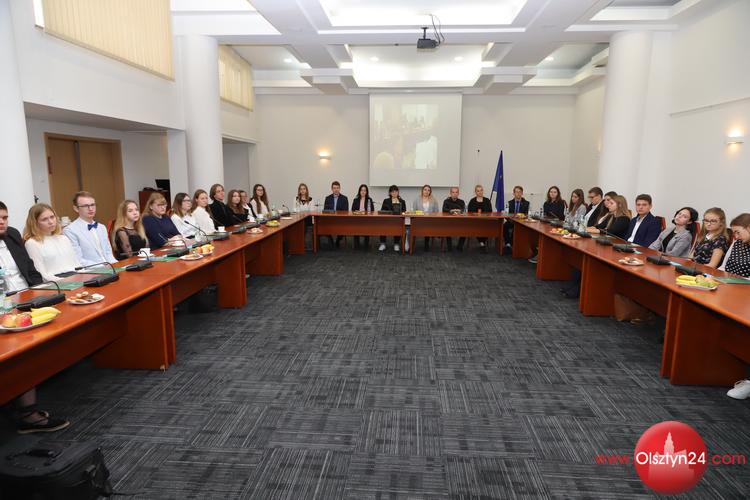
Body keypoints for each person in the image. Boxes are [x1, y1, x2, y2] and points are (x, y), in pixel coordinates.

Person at [0, 201, 70, 434]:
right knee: (23, 351)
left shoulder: (12, 235)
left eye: (5, 217)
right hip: (4, 305)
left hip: (26, 296)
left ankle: (20, 401)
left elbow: (29, 270)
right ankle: (28, 414)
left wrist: (44, 293)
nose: (2, 222)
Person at [723, 214, 750, 400]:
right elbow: (724, 268)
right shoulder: (737, 243)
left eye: (738, 232)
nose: (736, 236)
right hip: (731, 290)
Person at [22, 203, 80, 281]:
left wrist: (85, 276)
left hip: (75, 277)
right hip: (55, 282)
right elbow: (41, 274)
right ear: (35, 223)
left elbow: (77, 264)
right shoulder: (32, 243)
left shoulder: (63, 238)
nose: (51, 222)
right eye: (44, 219)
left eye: (52, 217)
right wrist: (64, 282)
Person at [63, 191, 118, 266]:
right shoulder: (70, 230)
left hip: (110, 268)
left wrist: (117, 265)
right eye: (85, 206)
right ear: (76, 208)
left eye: (92, 205)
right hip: (91, 270)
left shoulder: (101, 227)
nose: (91, 209)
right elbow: (78, 260)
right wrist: (103, 267)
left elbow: (108, 253)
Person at [378, 185, 406, 252]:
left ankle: (396, 244)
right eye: (393, 192)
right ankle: (383, 243)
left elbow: (404, 212)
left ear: (398, 192)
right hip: (387, 220)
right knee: (382, 224)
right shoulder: (386, 201)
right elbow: (382, 211)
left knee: (399, 225)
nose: (394, 193)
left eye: (396, 191)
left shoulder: (402, 201)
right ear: (390, 193)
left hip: (398, 221)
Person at [413, 184, 440, 251]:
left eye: (428, 190)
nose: (426, 191)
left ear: (430, 192)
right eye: (425, 190)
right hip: (419, 220)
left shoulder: (434, 200)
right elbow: (414, 211)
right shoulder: (417, 199)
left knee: (428, 225)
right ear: (422, 190)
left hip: (430, 220)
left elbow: (436, 211)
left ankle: (426, 243)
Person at [323, 181, 349, 248]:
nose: (336, 189)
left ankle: (338, 240)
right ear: (332, 189)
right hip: (330, 219)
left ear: (340, 188)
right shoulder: (328, 198)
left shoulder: (344, 198)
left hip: (340, 219)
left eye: (337, 188)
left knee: (343, 225)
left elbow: (346, 211)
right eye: (334, 188)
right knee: (323, 224)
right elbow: (325, 210)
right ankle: (331, 239)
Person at [468, 185, 493, 252]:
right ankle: (482, 243)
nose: (480, 192)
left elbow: (490, 211)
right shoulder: (472, 201)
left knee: (486, 226)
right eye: (478, 191)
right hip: (475, 221)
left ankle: (482, 243)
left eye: (481, 190)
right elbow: (469, 212)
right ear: (475, 192)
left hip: (485, 221)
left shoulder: (487, 200)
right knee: (478, 226)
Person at [504, 185, 530, 251]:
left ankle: (512, 244)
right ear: (513, 193)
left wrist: (522, 217)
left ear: (522, 193)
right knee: (505, 225)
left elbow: (527, 215)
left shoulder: (526, 203)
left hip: (522, 222)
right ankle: (507, 243)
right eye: (516, 192)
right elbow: (507, 215)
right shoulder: (510, 203)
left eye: (520, 192)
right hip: (511, 221)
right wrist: (511, 219)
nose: (518, 193)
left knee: (517, 227)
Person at [351, 184, 374, 250]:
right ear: (359, 191)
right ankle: (356, 243)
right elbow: (352, 210)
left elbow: (372, 210)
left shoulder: (369, 199)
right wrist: (357, 212)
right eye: (361, 190)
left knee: (367, 225)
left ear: (366, 192)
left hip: (367, 219)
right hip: (357, 219)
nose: (363, 192)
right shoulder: (355, 200)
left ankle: (366, 243)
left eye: (364, 190)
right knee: (355, 225)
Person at [442, 187, 466, 251]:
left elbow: (462, 210)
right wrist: (452, 211)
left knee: (466, 229)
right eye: (453, 192)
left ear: (458, 193)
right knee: (447, 229)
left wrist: (455, 211)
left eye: (456, 192)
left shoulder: (461, 201)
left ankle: (460, 246)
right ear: (450, 193)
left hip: (460, 222)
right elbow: (444, 210)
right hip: (449, 221)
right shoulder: (446, 201)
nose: (455, 194)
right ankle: (449, 247)